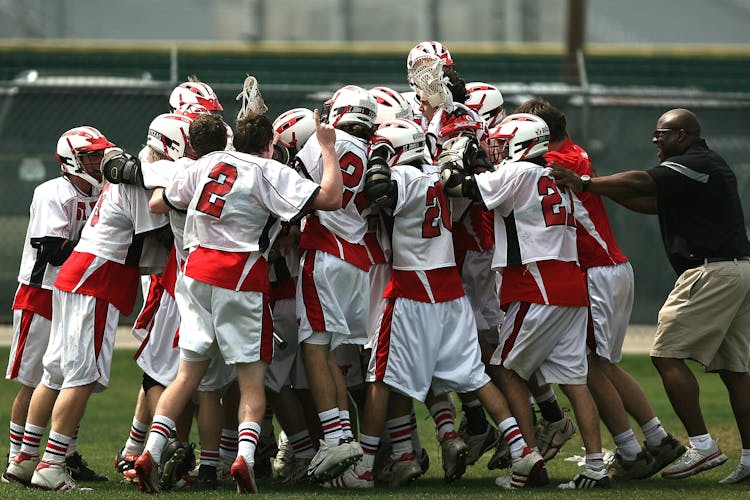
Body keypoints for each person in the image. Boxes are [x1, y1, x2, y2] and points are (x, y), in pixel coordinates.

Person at [327, 118, 546, 490]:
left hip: (412, 291)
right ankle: (523, 451)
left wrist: (374, 158)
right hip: (451, 293)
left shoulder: (402, 178)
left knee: (380, 378)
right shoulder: (440, 177)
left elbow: (372, 190)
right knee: (474, 376)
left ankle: (363, 467)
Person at [133, 109, 344, 494]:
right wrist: (327, 148)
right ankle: (244, 460)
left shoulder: (206, 162)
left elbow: (163, 201)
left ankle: (150, 451)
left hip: (194, 273)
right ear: (268, 146)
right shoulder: (268, 170)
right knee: (251, 379)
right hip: (240, 274)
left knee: (187, 375)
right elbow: (331, 197)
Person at [550, 107, 750, 484]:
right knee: (735, 371)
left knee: (666, 356)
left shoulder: (695, 161)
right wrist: (596, 192)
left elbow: (642, 181)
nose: (655, 140)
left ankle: (703, 445)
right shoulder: (700, 168)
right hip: (737, 268)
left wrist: (587, 183)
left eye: (662, 134)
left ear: (684, 135)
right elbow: (648, 203)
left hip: (712, 271)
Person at [516, 97, 686, 480]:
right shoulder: (571, 153)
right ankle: (657, 439)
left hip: (596, 271)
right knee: (601, 365)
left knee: (588, 365)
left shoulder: (557, 163)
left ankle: (631, 450)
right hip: (606, 268)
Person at [440, 113, 609, 490]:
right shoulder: (554, 175)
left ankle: (526, 459)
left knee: (504, 369)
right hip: (569, 283)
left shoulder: (519, 173)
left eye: (502, 143)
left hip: (536, 283)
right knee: (574, 380)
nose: (496, 150)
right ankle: (595, 466)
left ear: (523, 142)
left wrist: (450, 160)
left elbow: (456, 187)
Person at [7, 126, 171, 491]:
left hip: (75, 278)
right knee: (80, 376)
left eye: (101, 155)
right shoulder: (133, 185)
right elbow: (155, 238)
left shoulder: (113, 183)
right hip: (95, 280)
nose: (98, 162)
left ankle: (25, 457)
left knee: (55, 374)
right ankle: (51, 463)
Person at [3, 127, 108, 486]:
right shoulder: (53, 192)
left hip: (75, 292)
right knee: (34, 380)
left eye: (99, 155)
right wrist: (99, 247)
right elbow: (52, 250)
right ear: (71, 161)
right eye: (91, 156)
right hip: (41, 291)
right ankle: (18, 454)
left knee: (69, 376)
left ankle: (65, 453)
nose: (98, 162)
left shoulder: (103, 193)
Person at [294, 85, 377, 483]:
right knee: (330, 355)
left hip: (326, 252)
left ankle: (332, 438)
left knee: (313, 349)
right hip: (356, 259)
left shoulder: (328, 141)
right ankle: (343, 438)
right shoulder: (369, 149)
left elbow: (296, 186)